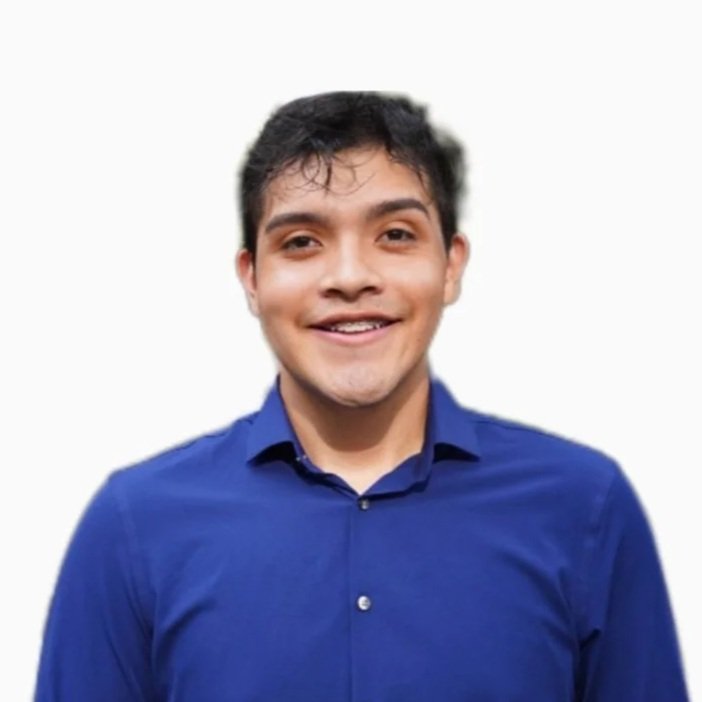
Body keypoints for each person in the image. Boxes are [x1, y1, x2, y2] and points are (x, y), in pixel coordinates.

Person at [35, 91, 688, 701]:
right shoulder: (134, 527)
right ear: (252, 278)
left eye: (395, 235)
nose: (350, 277)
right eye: (301, 242)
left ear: (451, 265)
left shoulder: (584, 509)